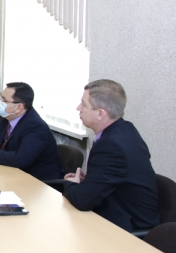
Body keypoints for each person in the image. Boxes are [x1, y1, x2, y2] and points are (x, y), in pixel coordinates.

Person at [63, 80, 159, 232]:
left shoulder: (112, 146)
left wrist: (70, 184)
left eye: (84, 104)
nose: (78, 108)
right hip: (114, 212)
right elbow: (114, 177)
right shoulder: (124, 129)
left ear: (100, 114)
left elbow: (82, 200)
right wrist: (91, 180)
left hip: (127, 230)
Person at [0, 82, 62, 181]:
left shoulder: (36, 126)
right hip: (10, 173)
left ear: (19, 107)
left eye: (4, 100)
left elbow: (21, 159)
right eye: (0, 98)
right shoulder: (6, 117)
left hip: (37, 181)